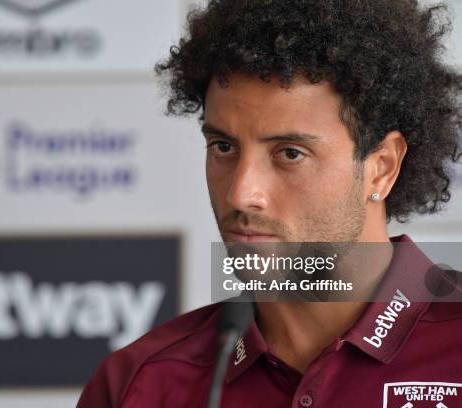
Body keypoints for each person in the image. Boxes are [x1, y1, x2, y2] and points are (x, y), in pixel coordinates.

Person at [78, 1, 462, 406]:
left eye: (290, 153)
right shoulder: (139, 385)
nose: (241, 194)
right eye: (223, 146)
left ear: (381, 167)